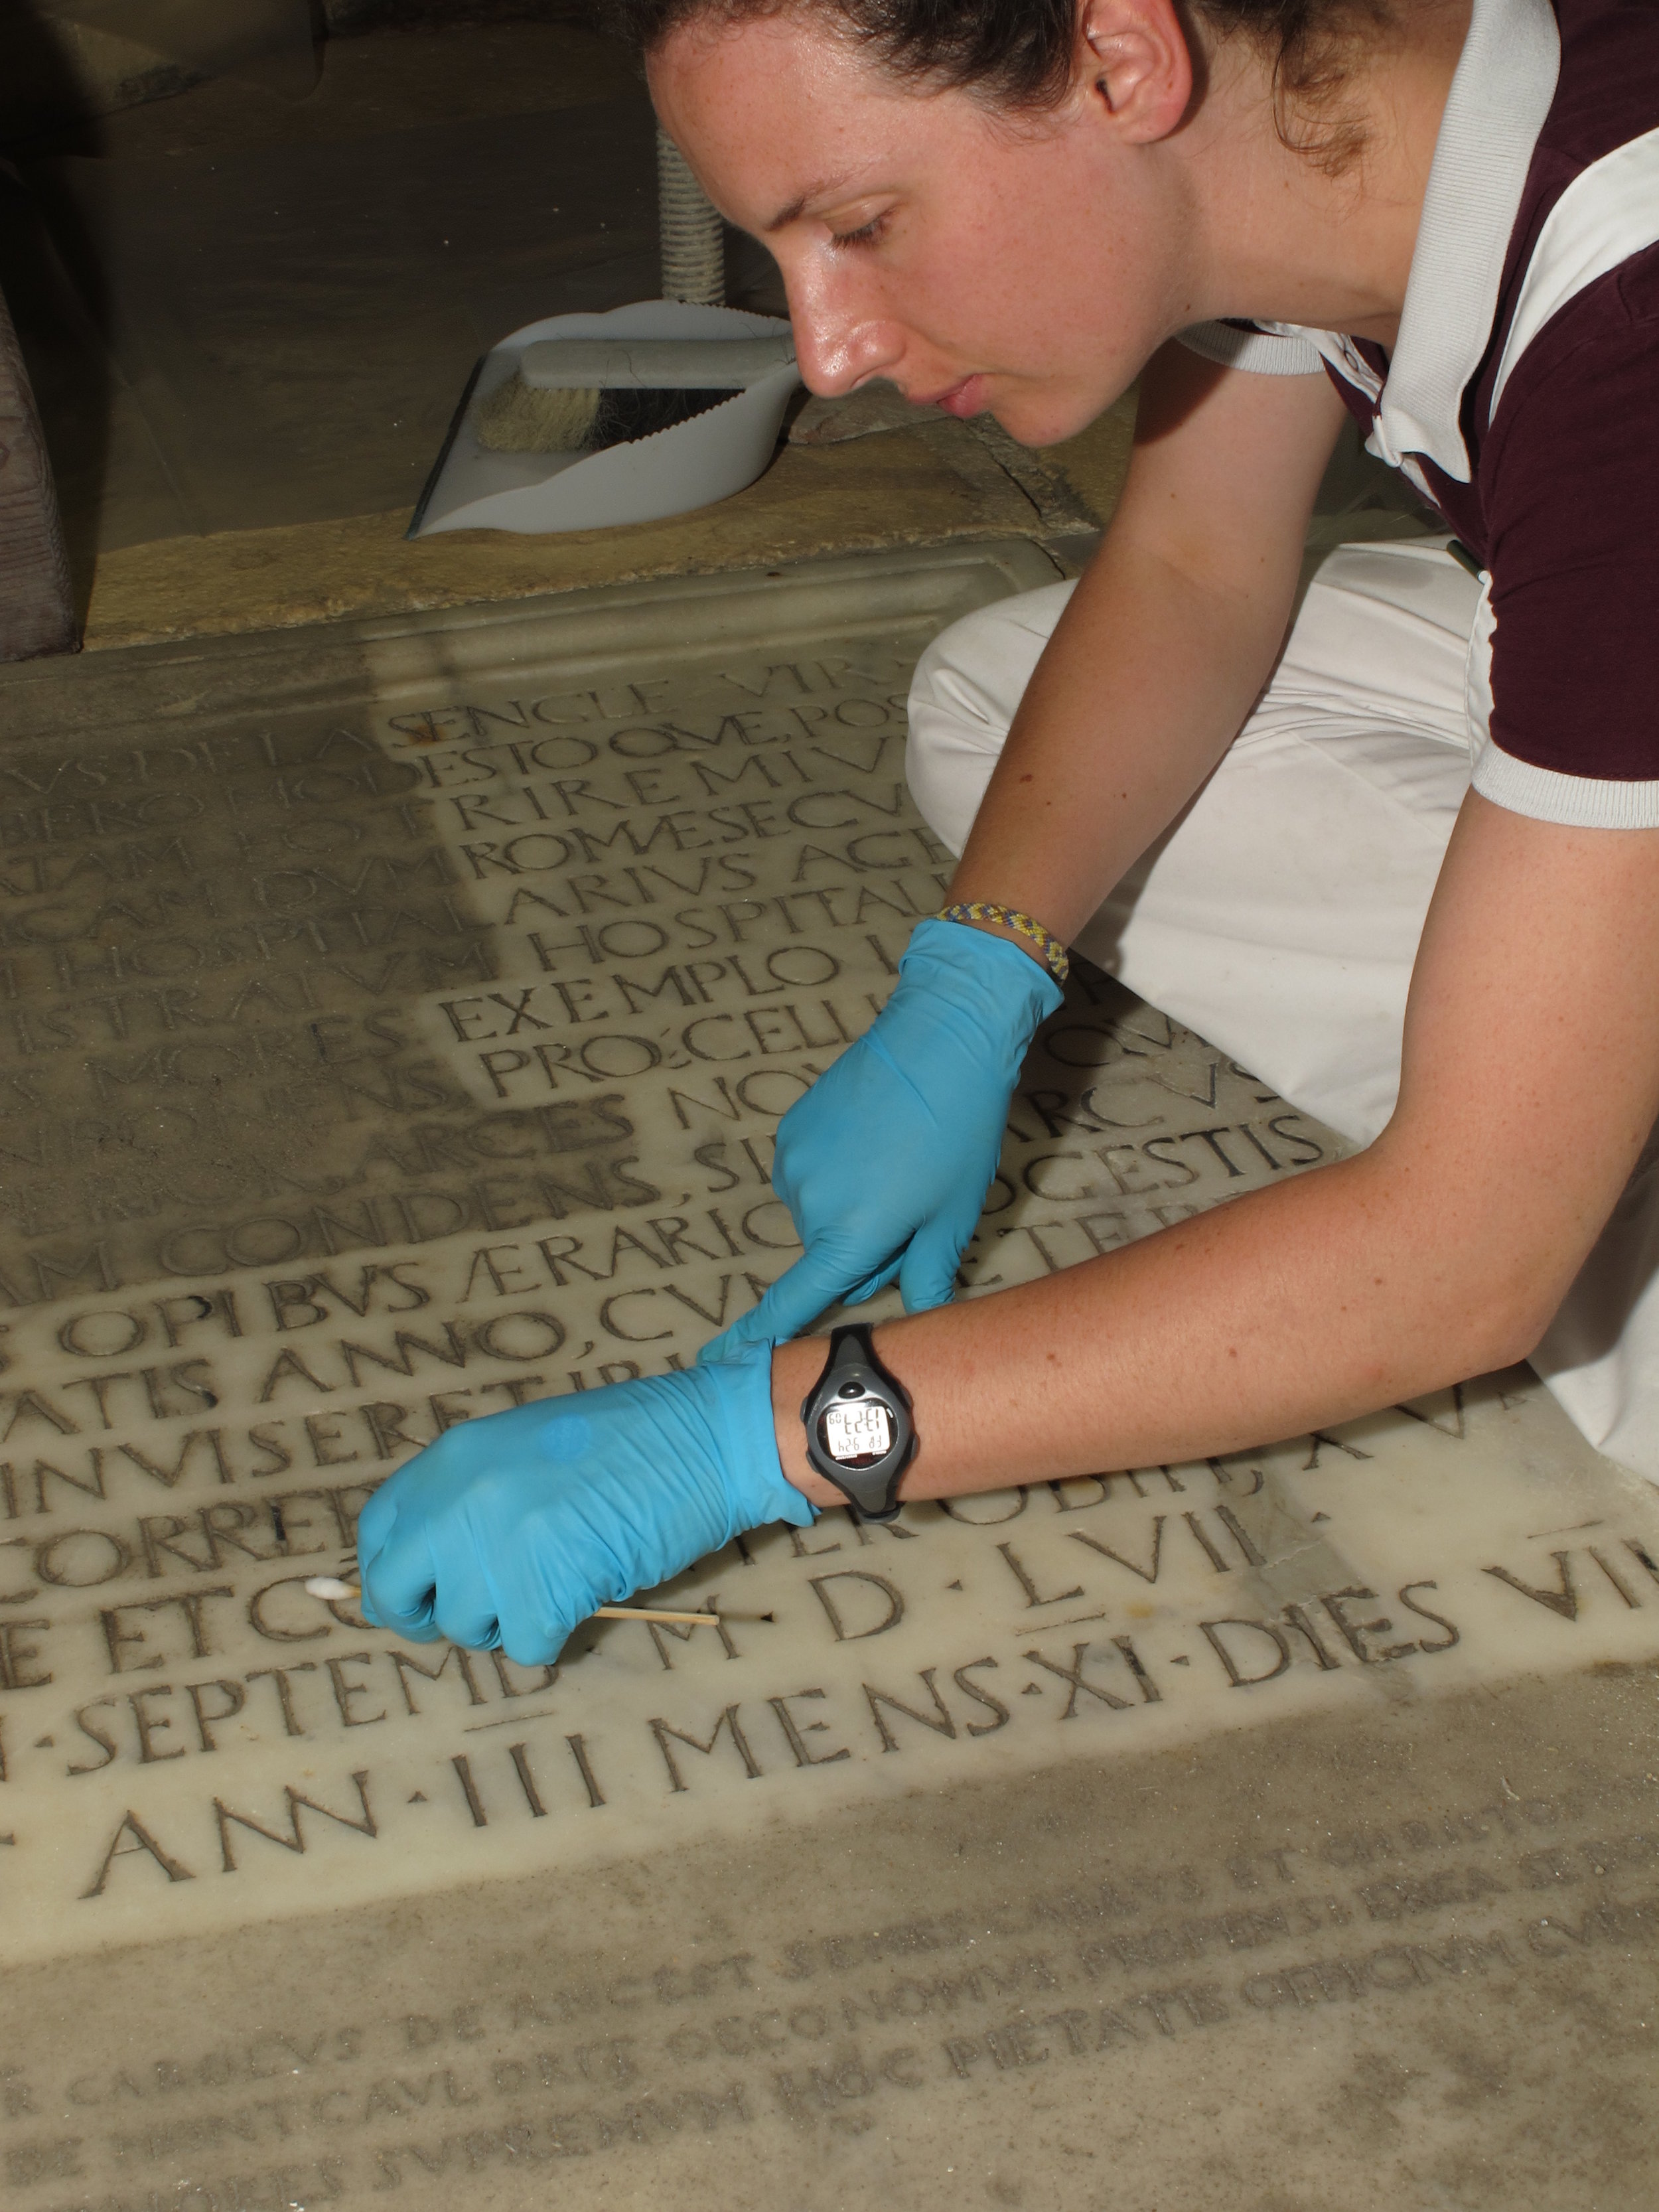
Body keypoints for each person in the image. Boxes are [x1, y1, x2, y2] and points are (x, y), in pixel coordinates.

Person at [358, 0, 1659, 1662]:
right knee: (1002, 703)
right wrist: (976, 977)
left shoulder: (1625, 331)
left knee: (1484, 1230)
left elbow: (1459, 1267)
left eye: (857, 225)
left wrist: (765, 1441)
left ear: (1120, 60)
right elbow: (1194, 565)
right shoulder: (1325, 109)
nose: (823, 349)